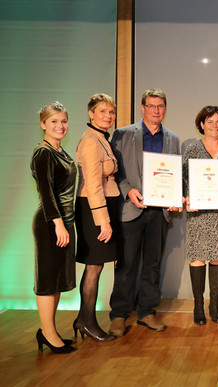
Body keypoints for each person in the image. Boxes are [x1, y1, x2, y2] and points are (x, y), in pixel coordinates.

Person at [108, 88, 181, 336]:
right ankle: (119, 315)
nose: (156, 110)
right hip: (131, 210)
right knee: (126, 264)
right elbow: (114, 172)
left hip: (159, 212)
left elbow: (175, 174)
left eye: (160, 106)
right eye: (151, 106)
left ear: (165, 108)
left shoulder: (172, 138)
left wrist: (174, 197)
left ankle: (146, 311)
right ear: (143, 108)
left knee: (152, 264)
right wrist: (128, 191)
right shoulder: (123, 134)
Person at [183, 106, 218, 325]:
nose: (214, 126)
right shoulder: (192, 149)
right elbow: (183, 178)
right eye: (210, 122)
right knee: (198, 257)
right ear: (201, 124)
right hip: (198, 211)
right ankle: (198, 306)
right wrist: (186, 198)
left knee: (217, 256)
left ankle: (214, 306)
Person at [31, 102, 77, 354]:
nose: (60, 126)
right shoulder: (43, 153)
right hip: (51, 224)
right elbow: (46, 193)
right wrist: (58, 223)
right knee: (48, 280)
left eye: (63, 121)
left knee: (57, 280)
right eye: (54, 122)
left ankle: (49, 330)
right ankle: (48, 334)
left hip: (65, 223)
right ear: (43, 125)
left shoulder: (61, 151)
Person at [73, 94, 120, 342]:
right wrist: (103, 220)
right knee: (94, 265)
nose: (108, 116)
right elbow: (92, 184)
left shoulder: (101, 138)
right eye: (102, 111)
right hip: (95, 208)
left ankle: (84, 319)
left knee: (97, 265)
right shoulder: (91, 141)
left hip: (102, 206)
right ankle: (87, 322)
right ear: (91, 113)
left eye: (111, 112)